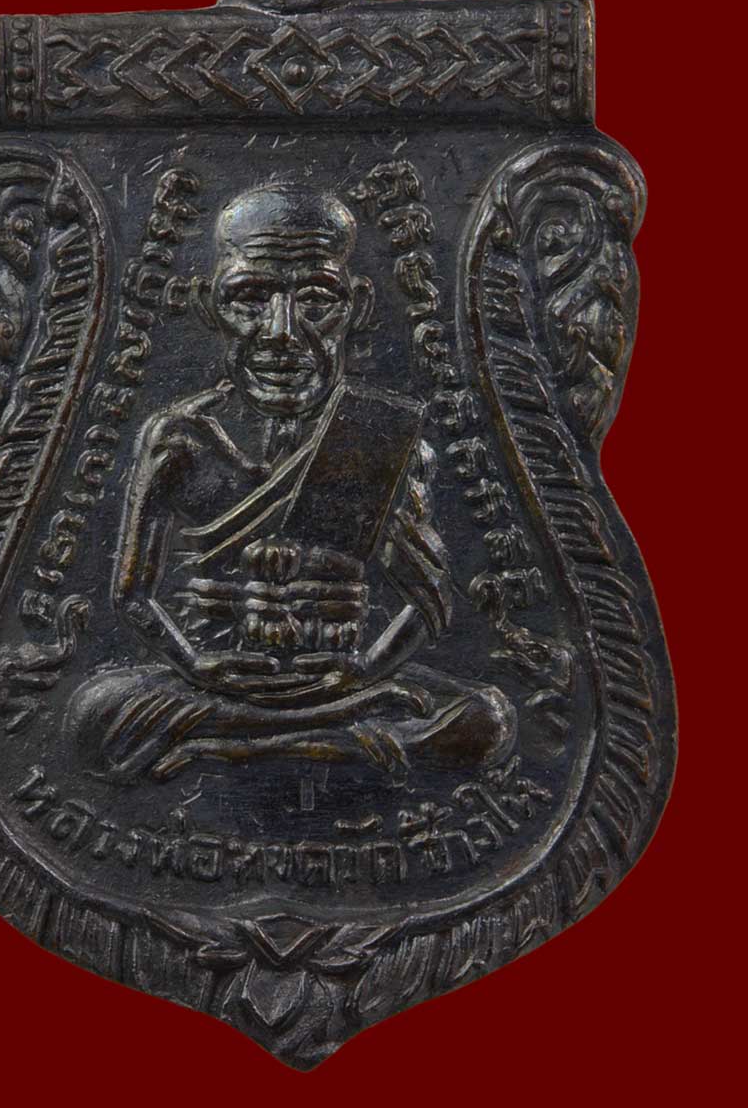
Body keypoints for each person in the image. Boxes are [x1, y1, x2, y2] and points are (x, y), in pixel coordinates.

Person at [64, 184, 515, 782]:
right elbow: (131, 596)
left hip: (339, 677)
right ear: (207, 305)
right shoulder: (182, 438)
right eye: (250, 298)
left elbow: (429, 599)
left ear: (356, 306)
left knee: (486, 720)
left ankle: (232, 748)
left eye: (316, 300)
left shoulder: (372, 434)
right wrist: (197, 664)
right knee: (93, 715)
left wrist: (365, 670)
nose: (282, 332)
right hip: (221, 679)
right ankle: (331, 744)